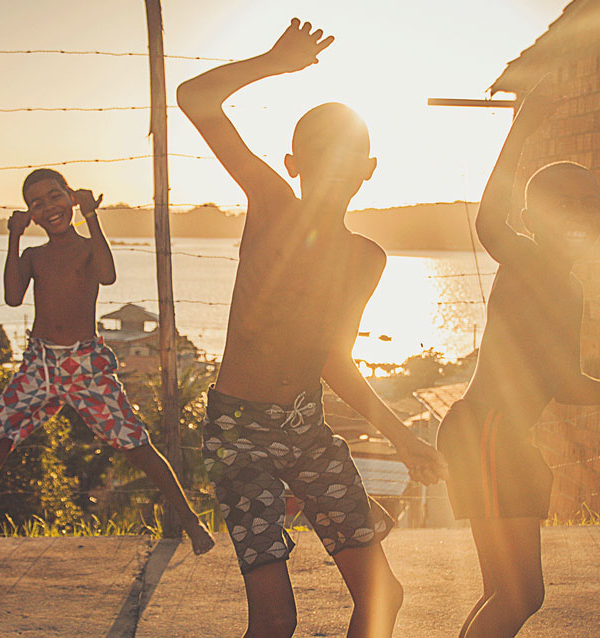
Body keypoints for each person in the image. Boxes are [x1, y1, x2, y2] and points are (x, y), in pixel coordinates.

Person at [178, 19, 447, 638]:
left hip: (306, 427)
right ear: (292, 164)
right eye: (318, 155)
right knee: (275, 620)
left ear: (369, 168)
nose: (333, 168)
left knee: (384, 597)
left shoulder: (364, 259)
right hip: (238, 429)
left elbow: (333, 357)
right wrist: (276, 61)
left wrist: (402, 438)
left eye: (347, 156)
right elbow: (195, 98)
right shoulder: (272, 206)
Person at [437, 77, 600, 637]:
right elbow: (490, 220)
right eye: (565, 204)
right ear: (533, 216)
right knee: (520, 593)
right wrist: (522, 126)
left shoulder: (567, 286)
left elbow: (565, 384)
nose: (582, 215)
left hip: (504, 437)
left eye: (591, 205)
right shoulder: (529, 261)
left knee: (509, 592)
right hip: (489, 433)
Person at [0, 169, 214, 589]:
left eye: (55, 197)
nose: (49, 208)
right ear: (29, 214)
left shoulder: (88, 248)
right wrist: (13, 238)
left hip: (86, 364)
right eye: (37, 204)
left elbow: (107, 275)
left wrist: (93, 217)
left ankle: (191, 520)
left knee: (136, 444)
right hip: (41, 364)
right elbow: (13, 296)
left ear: (71, 197)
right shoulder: (33, 256)